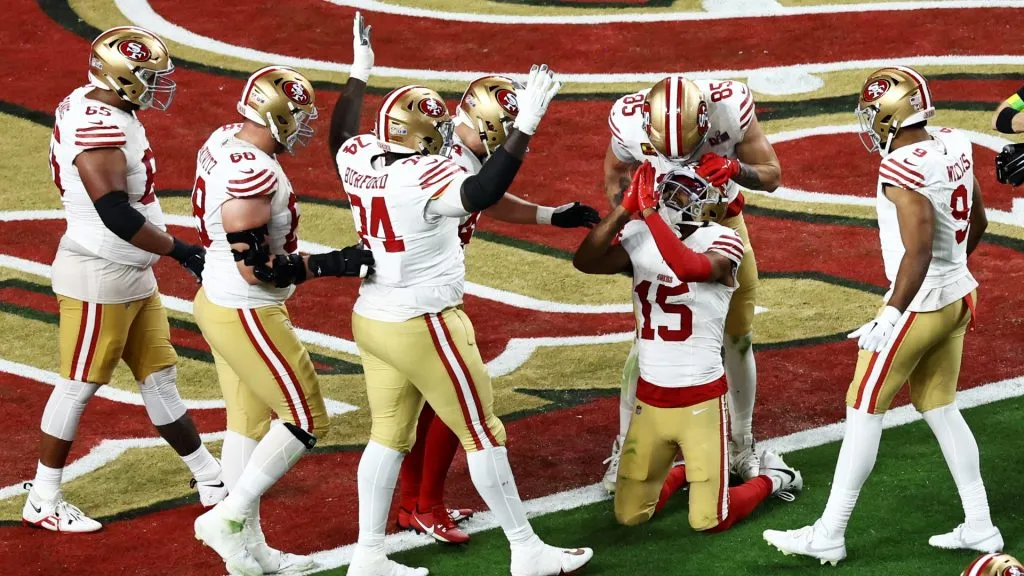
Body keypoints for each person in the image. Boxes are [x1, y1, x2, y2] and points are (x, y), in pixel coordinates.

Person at [327, 14, 600, 546]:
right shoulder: (436, 166)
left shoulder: (403, 155)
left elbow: (483, 194)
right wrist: (528, 128)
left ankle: (403, 516)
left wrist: (548, 216)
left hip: (381, 299)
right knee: (464, 417)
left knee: (402, 421)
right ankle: (439, 511)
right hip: (418, 302)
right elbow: (478, 194)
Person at [763, 66, 1000, 565]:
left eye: (873, 113)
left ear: (893, 111)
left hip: (920, 304)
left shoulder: (900, 166)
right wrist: (952, 273)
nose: (869, 124)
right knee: (939, 405)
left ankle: (829, 532)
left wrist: (893, 312)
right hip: (961, 295)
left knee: (863, 407)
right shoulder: (956, 142)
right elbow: (977, 219)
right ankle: (980, 525)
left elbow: (916, 252)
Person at [24, 25, 223, 533]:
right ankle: (43, 497)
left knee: (159, 377)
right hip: (100, 271)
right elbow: (114, 211)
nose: (159, 86)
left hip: (129, 271)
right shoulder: (98, 126)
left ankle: (210, 477)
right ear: (121, 77)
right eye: (149, 77)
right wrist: (181, 251)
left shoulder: (92, 101)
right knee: (79, 386)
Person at [190, 65, 374, 576]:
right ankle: (225, 519)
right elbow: (258, 271)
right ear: (272, 115)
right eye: (298, 116)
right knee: (306, 417)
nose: (304, 125)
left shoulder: (226, 137)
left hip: (220, 300)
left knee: (246, 425)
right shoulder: (252, 171)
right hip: (243, 308)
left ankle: (248, 552)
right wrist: (330, 263)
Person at [574, 160, 801, 532]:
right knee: (629, 514)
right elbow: (584, 261)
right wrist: (624, 210)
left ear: (709, 202)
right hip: (651, 400)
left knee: (710, 520)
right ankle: (683, 473)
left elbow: (688, 268)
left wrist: (647, 214)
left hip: (701, 401)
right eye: (671, 192)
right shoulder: (642, 235)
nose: (675, 200)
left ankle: (776, 477)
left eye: (686, 193)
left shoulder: (724, 241)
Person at [600, 75, 782, 491]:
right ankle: (625, 446)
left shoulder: (729, 107)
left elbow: (772, 175)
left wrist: (737, 168)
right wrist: (629, 220)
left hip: (722, 224)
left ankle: (742, 443)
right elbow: (614, 171)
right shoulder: (628, 120)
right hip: (661, 228)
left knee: (737, 337)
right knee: (647, 340)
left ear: (705, 123)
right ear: (646, 126)